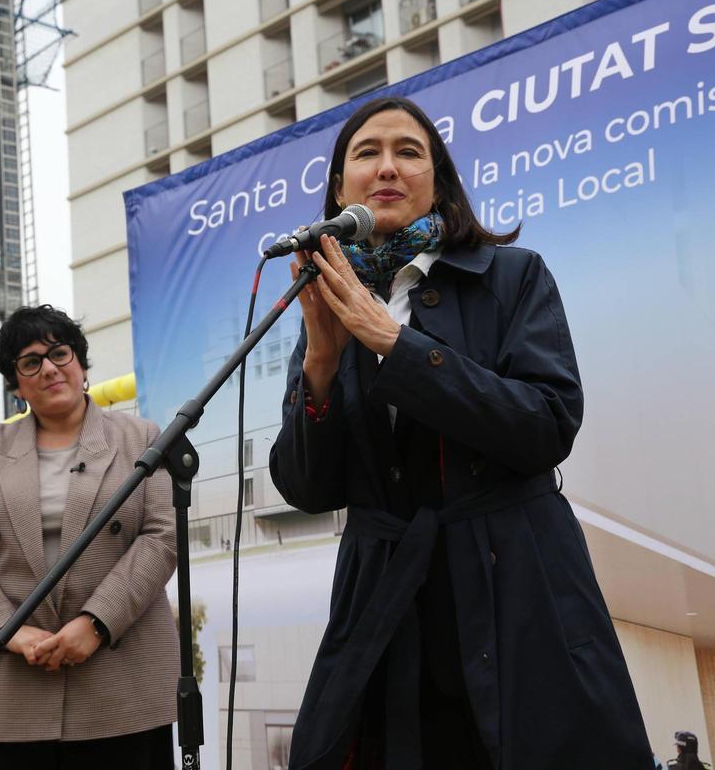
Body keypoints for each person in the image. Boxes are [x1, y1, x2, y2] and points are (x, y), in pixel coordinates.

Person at [268, 96, 653, 769]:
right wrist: (321, 365)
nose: (387, 167)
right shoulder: (330, 297)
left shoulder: (513, 276)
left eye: (408, 152)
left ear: (438, 182)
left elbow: (547, 422)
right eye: (367, 153)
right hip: (385, 603)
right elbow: (308, 486)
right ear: (338, 189)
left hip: (515, 585)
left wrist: (395, 344)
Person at [0, 305, 178, 768]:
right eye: (30, 361)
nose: (48, 368)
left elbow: (161, 537)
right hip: (7, 678)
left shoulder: (141, 438)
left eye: (59, 353)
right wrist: (11, 632)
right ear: (16, 384)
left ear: (81, 365)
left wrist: (95, 624)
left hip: (118, 675)